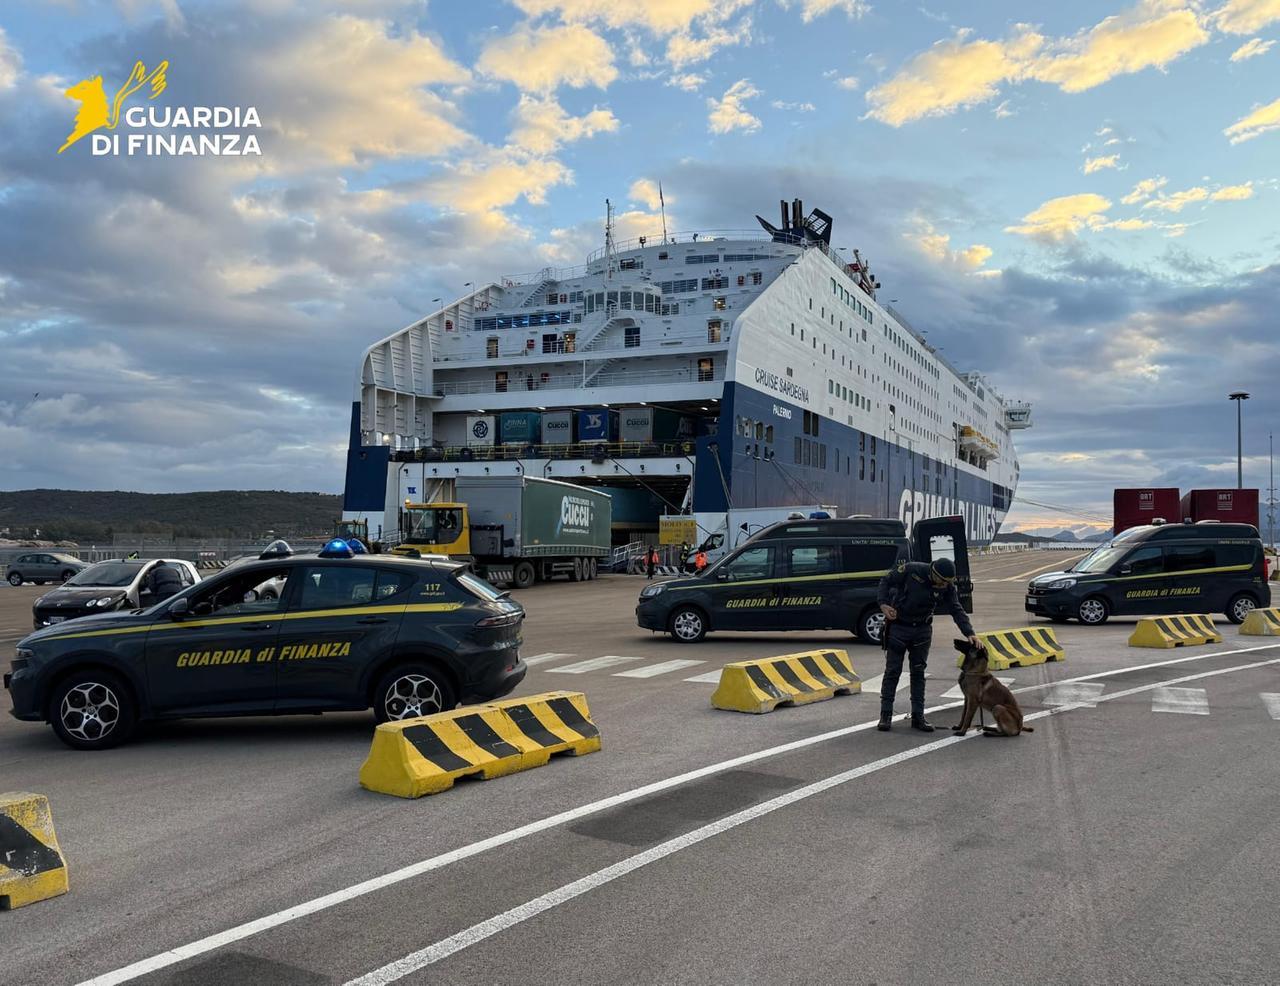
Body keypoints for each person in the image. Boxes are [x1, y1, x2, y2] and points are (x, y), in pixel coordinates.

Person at [875, 556, 978, 733]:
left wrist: (969, 633)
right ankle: (885, 715)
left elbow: (956, 608)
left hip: (922, 630)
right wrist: (883, 604)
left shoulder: (947, 586)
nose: (945, 585)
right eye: (942, 581)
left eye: (948, 582)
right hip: (899, 627)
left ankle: (918, 716)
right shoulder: (911, 570)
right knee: (893, 672)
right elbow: (885, 581)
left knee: (918, 672)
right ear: (933, 573)